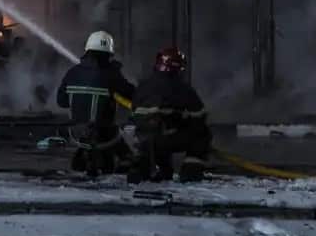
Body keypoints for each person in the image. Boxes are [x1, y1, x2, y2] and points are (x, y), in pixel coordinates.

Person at [56, 30, 135, 177]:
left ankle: (85, 161)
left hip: (76, 133)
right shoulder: (111, 74)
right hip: (104, 134)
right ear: (108, 55)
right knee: (128, 157)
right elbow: (131, 94)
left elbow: (61, 102)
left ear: (87, 50)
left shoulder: (72, 72)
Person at [128, 47, 211, 184]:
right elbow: (200, 117)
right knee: (203, 135)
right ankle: (191, 173)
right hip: (164, 139)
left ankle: (147, 168)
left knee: (157, 141)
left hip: (142, 140)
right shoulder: (182, 88)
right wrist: (184, 121)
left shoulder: (142, 86)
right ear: (177, 68)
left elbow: (134, 111)